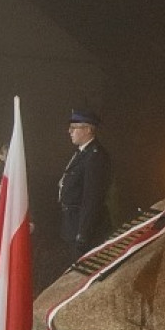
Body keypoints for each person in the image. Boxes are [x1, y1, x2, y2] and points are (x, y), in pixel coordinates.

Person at [58, 109, 111, 263]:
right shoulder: (81, 153)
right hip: (72, 224)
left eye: (74, 128)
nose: (69, 131)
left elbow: (92, 198)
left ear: (88, 129)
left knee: (84, 273)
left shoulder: (95, 156)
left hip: (85, 228)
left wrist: (83, 233)